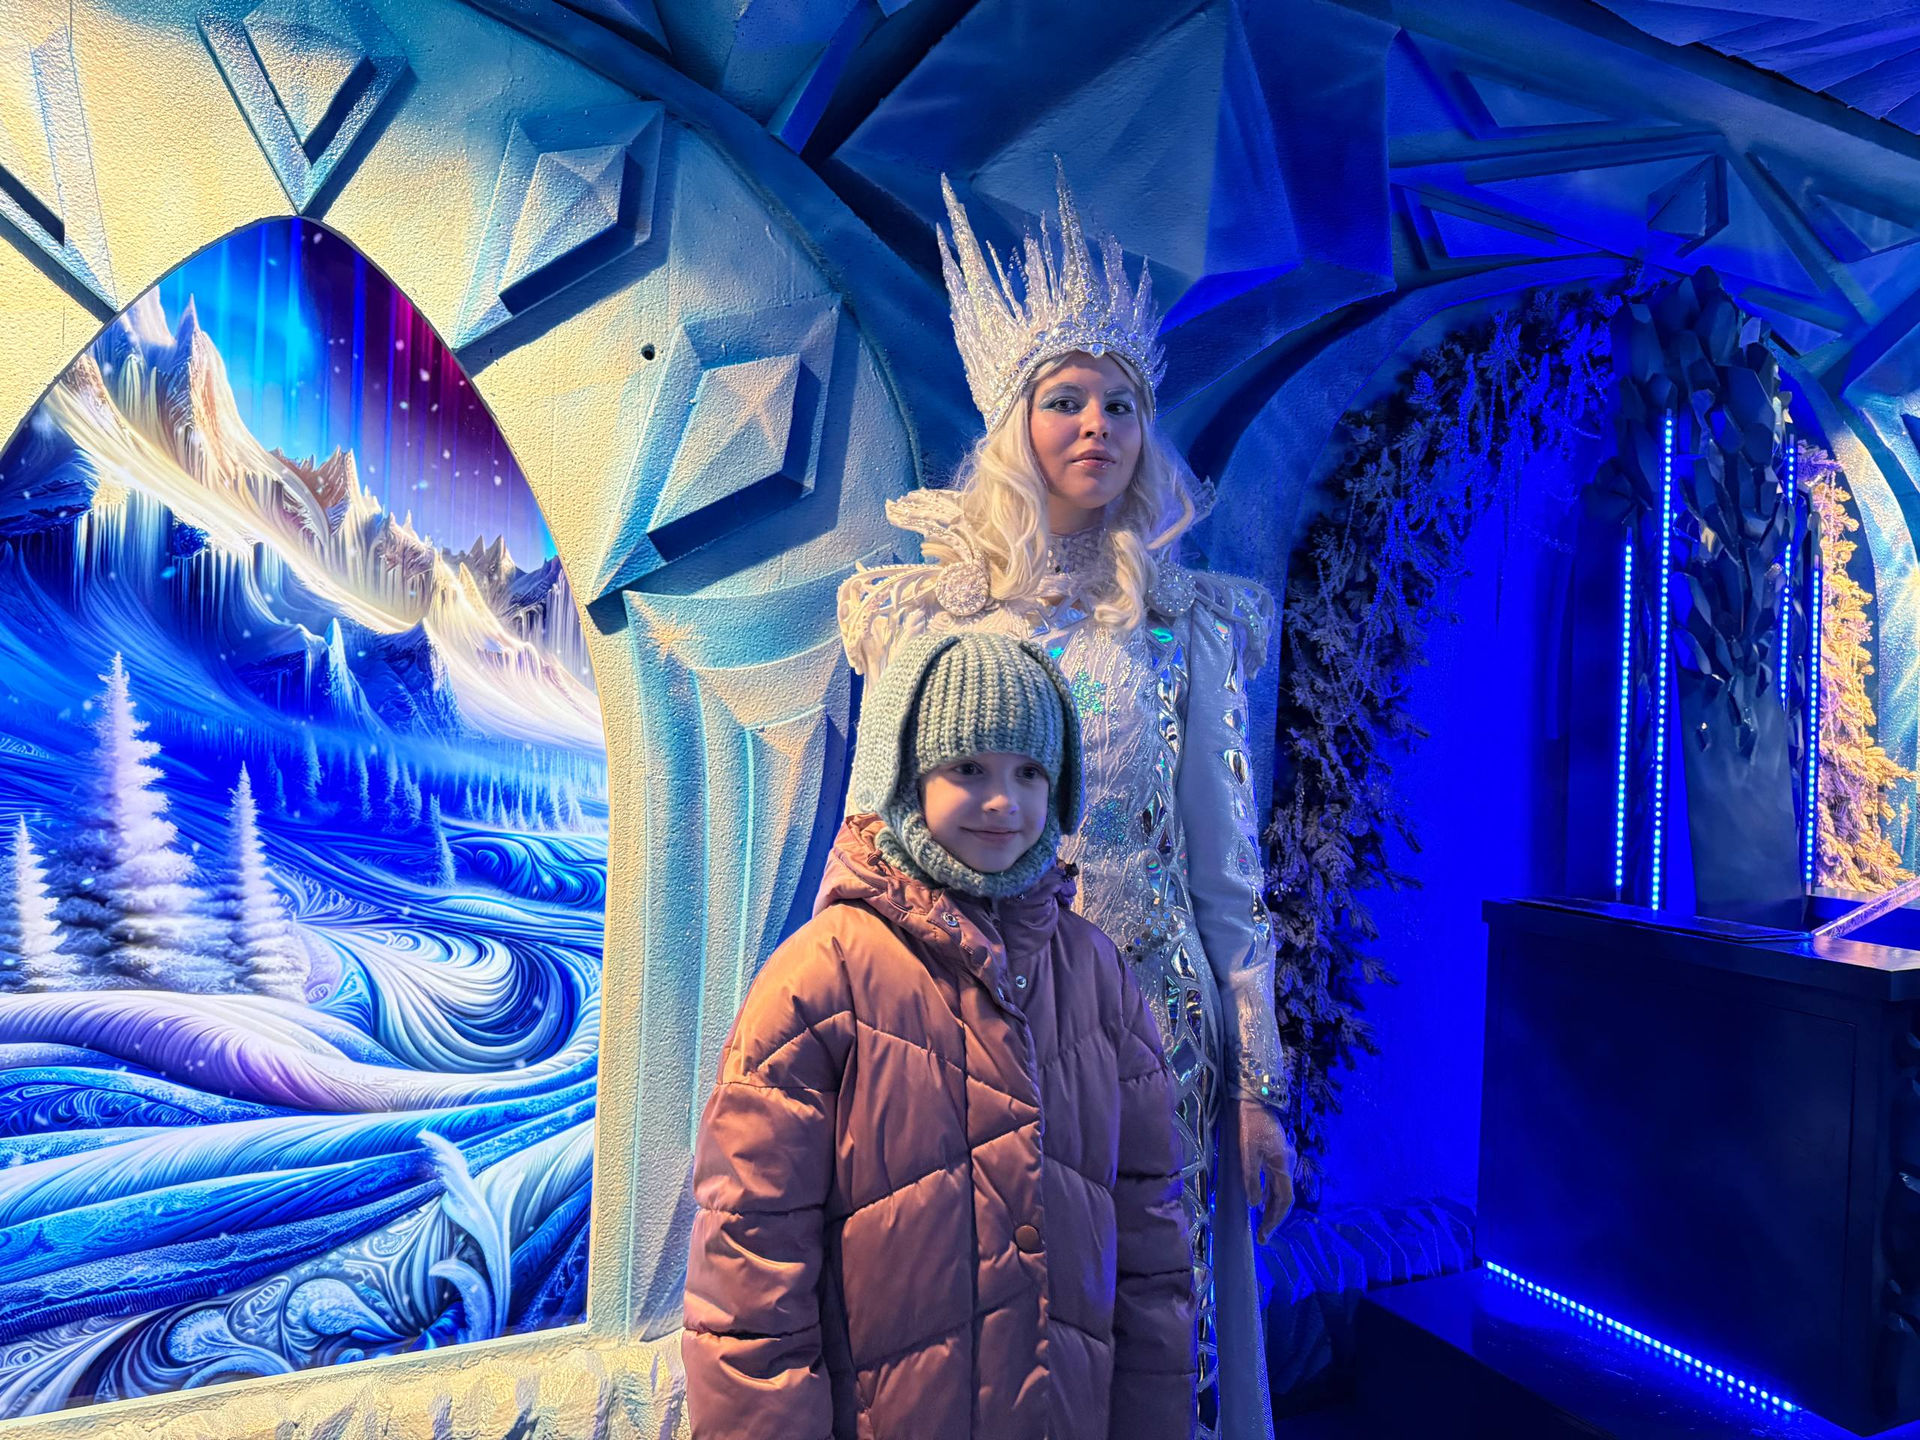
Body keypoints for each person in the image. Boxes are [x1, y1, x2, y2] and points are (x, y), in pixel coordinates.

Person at [838, 167, 1293, 1440]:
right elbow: (875, 853)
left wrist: (1257, 1083)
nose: (1098, 426)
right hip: (986, 1033)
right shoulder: (934, 615)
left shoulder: (1181, 629)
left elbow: (1227, 876)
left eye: (1121, 403)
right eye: (1066, 400)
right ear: (1014, 424)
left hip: (1159, 1041)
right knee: (994, 1335)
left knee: (1148, 1334)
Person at [682, 631, 1196, 1440]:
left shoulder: (1098, 976)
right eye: (969, 767)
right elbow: (750, 1270)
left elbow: (1149, 1239)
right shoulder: (821, 977)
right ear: (909, 774)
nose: (1003, 801)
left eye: (1030, 772)